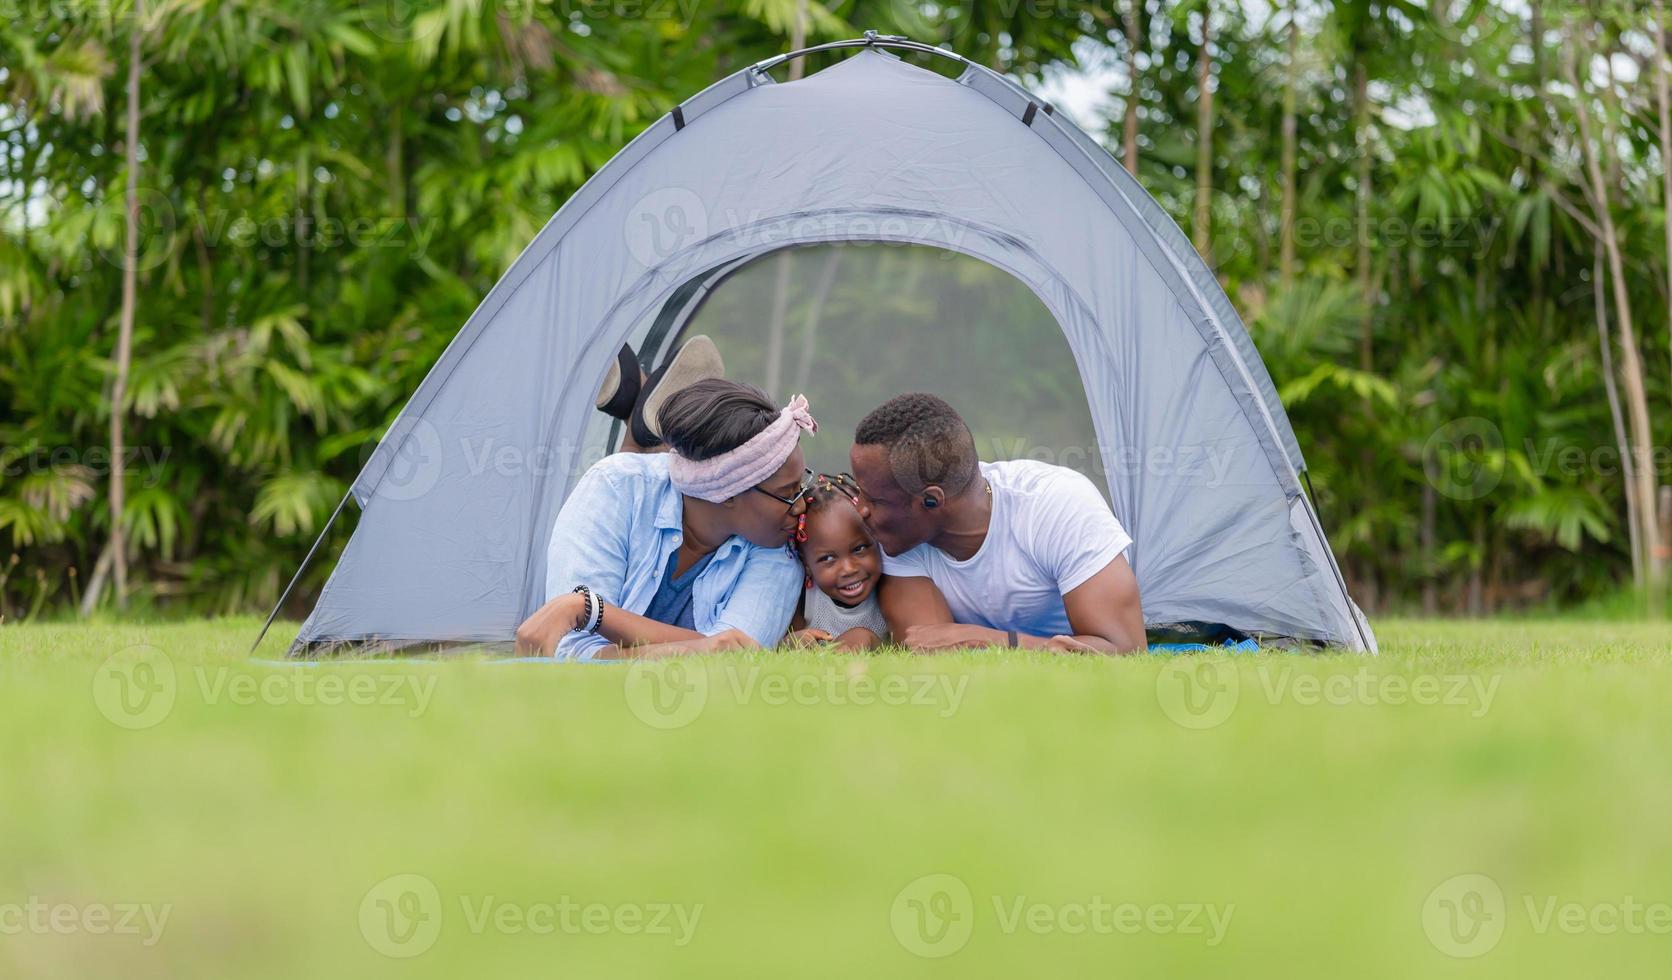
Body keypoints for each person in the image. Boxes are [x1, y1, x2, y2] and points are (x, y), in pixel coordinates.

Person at [515, 378, 816, 659]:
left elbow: (733, 658)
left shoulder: (781, 552)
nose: (802, 506)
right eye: (788, 493)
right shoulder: (615, 487)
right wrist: (703, 646)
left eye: (802, 486)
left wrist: (588, 610)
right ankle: (638, 406)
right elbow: (570, 648)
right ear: (727, 493)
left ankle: (638, 411)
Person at [847, 393, 1145, 654]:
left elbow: (1125, 650)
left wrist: (986, 640)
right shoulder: (896, 539)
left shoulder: (1057, 506)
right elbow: (931, 649)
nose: (859, 509)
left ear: (931, 501)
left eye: (874, 500)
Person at [782, 474, 889, 651]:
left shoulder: (891, 587)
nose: (848, 569)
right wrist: (792, 641)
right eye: (828, 559)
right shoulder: (804, 599)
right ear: (806, 564)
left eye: (859, 548)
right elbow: (784, 644)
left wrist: (867, 639)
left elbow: (907, 646)